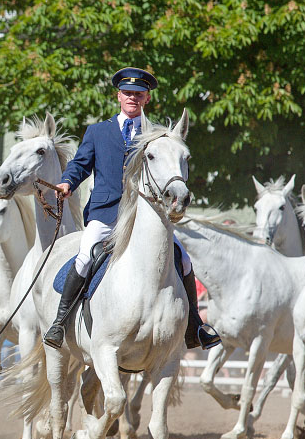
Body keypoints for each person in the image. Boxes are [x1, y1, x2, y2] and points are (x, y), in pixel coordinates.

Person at [45, 67, 221, 351]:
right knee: (84, 257)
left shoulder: (156, 135)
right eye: (127, 93)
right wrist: (67, 182)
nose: (132, 98)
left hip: (145, 217)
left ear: (146, 99)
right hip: (106, 214)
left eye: (138, 94)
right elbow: (80, 165)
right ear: (118, 96)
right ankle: (60, 321)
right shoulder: (98, 132)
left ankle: (194, 326)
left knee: (184, 259)